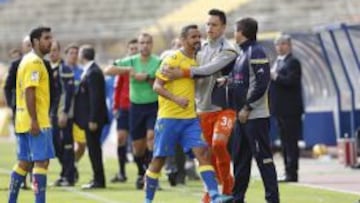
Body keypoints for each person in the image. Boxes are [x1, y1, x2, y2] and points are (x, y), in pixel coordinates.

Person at [145, 24, 233, 203]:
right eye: (193, 37)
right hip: (169, 118)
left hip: (190, 119)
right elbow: (156, 86)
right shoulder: (172, 59)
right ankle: (148, 200)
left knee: (203, 153)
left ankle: (214, 195)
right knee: (159, 159)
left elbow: (204, 74)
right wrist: (176, 98)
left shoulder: (197, 61)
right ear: (184, 40)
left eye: (198, 37)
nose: (197, 40)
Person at [229, 17, 279, 203]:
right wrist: (228, 81)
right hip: (241, 117)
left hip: (254, 116)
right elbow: (243, 80)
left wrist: (247, 107)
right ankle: (237, 198)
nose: (233, 34)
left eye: (235, 30)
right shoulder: (241, 53)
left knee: (263, 158)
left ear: (242, 32)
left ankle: (272, 199)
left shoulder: (256, 51)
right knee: (240, 160)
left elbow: (262, 82)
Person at [104, 33, 160, 189]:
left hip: (153, 105)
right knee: (138, 147)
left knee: (151, 138)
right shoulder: (131, 61)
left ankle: (151, 175)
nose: (145, 45)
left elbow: (164, 80)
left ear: (152, 44)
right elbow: (108, 69)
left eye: (148, 42)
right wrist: (127, 69)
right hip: (135, 107)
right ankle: (141, 172)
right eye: (142, 42)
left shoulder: (157, 61)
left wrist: (148, 77)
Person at [8, 26, 55, 203]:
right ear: (35, 42)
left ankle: (11, 200)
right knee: (41, 162)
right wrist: (35, 120)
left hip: (23, 119)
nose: (50, 42)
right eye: (46, 38)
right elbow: (30, 91)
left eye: (50, 38)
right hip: (36, 121)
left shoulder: (26, 60)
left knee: (24, 163)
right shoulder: (35, 62)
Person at [269, 34, 303, 182]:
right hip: (279, 109)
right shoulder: (277, 61)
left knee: (291, 142)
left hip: (291, 109)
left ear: (289, 46)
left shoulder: (293, 62)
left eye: (283, 44)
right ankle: (286, 170)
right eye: (277, 44)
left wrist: (275, 76)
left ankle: (292, 173)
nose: (280, 47)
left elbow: (292, 81)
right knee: (283, 142)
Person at [74, 45, 108, 189]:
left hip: (93, 120)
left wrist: (93, 119)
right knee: (93, 149)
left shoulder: (93, 72)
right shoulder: (90, 70)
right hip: (90, 118)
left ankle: (99, 180)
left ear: (82, 55)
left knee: (94, 149)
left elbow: (96, 98)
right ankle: (97, 178)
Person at [48, 40, 76, 186]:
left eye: (54, 50)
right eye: (50, 50)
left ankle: (69, 176)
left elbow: (69, 93)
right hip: (51, 113)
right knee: (54, 143)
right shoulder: (46, 68)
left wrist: (64, 112)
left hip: (63, 113)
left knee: (67, 144)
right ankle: (67, 171)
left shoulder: (64, 69)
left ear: (59, 52)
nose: (52, 53)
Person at [110, 38, 138, 183]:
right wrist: (115, 107)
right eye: (131, 48)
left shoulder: (143, 64)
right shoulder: (123, 66)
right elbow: (117, 87)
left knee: (140, 142)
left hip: (139, 106)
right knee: (121, 138)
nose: (134, 51)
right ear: (128, 50)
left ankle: (143, 172)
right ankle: (121, 172)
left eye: (136, 48)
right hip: (124, 107)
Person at [64, 44, 85, 181]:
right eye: (71, 53)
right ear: (66, 55)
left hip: (78, 113)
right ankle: (68, 169)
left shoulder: (82, 72)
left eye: (76, 53)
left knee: (82, 145)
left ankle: (73, 164)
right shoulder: (62, 71)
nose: (74, 55)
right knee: (66, 145)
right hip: (64, 113)